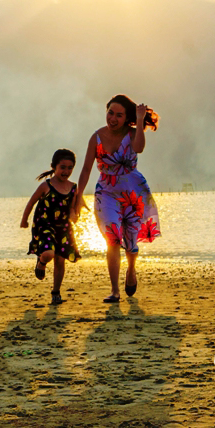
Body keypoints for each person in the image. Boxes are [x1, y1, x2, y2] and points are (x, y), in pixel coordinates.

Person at [74, 95, 161, 303]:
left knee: (131, 242)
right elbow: (86, 169)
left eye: (119, 115)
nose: (113, 118)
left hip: (133, 192)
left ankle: (131, 269)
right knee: (112, 237)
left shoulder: (132, 133)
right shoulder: (96, 137)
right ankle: (114, 290)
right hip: (106, 192)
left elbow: (139, 148)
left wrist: (139, 119)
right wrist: (78, 195)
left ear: (126, 118)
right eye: (110, 113)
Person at [20, 149, 81, 305]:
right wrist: (24, 220)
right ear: (54, 167)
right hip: (45, 225)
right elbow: (31, 203)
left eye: (70, 168)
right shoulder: (46, 186)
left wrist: (74, 214)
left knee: (60, 260)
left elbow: (73, 208)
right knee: (48, 253)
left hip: (64, 227)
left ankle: (56, 292)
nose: (66, 171)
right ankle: (41, 262)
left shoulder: (73, 187)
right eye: (62, 167)